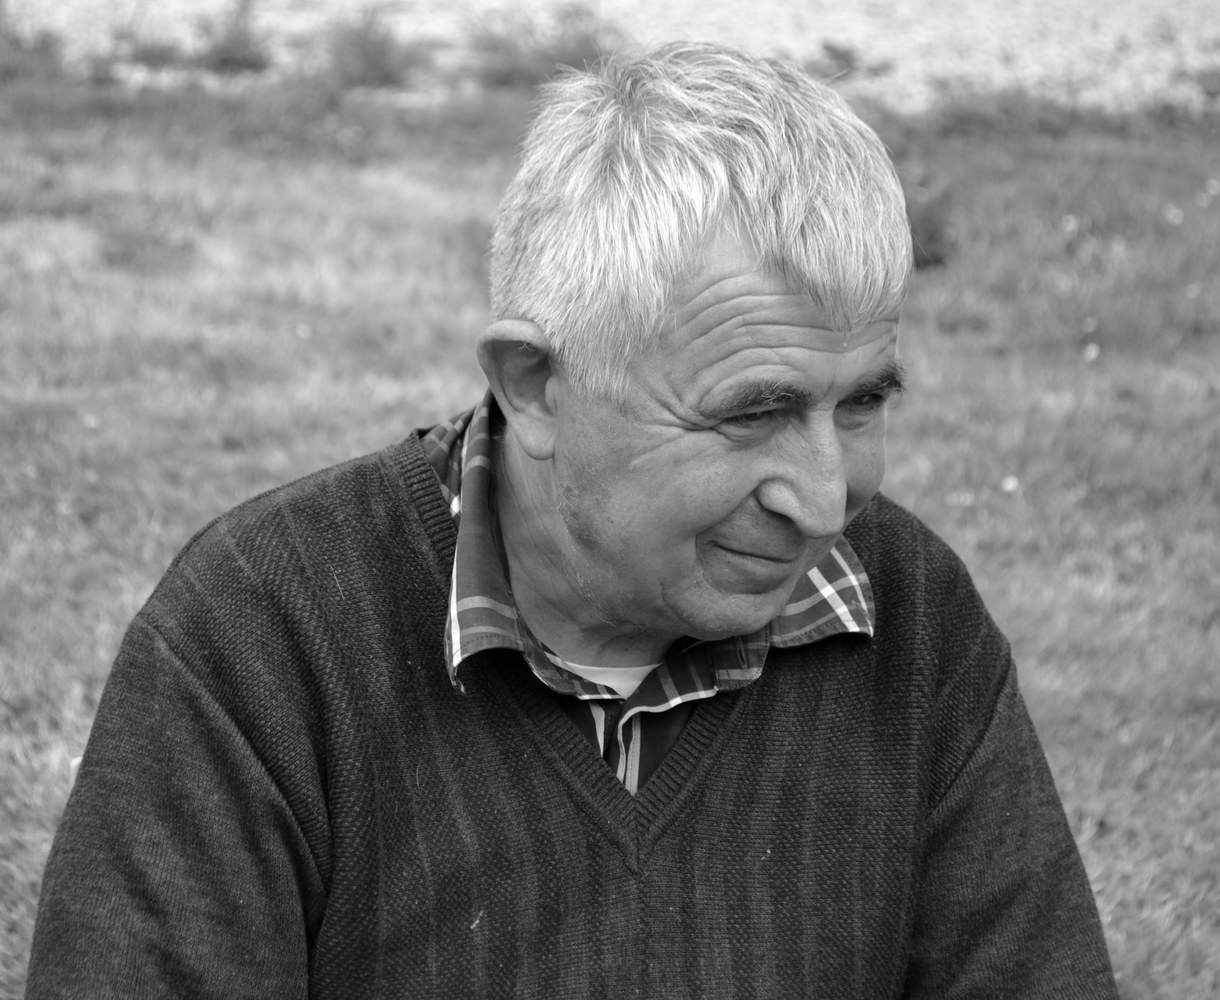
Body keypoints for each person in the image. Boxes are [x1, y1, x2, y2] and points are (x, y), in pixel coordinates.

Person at [26, 42, 1118, 999]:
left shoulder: (911, 618)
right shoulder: (263, 638)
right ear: (537, 385)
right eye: (753, 412)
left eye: (862, 403)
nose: (824, 501)